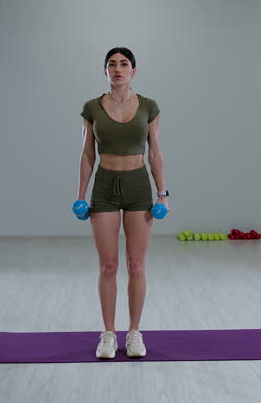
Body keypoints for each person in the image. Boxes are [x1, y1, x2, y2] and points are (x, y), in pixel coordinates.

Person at [78, 47, 168, 359]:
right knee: (108, 265)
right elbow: (88, 153)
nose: (118, 68)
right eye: (112, 64)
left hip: (138, 187)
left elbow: (155, 152)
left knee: (136, 263)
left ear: (134, 70)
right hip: (104, 186)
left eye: (124, 64)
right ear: (105, 71)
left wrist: (162, 193)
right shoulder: (92, 107)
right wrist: (80, 194)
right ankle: (107, 334)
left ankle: (133, 332)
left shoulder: (148, 106)